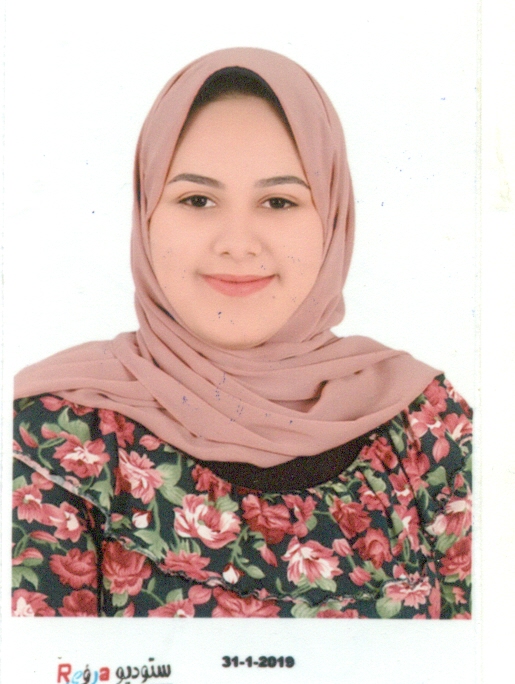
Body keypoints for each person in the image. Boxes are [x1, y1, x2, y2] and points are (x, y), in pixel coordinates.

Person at [12, 47, 472, 618]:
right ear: (146, 213)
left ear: (331, 217)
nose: (237, 242)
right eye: (197, 199)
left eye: (278, 201)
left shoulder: (428, 425)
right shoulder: (51, 436)